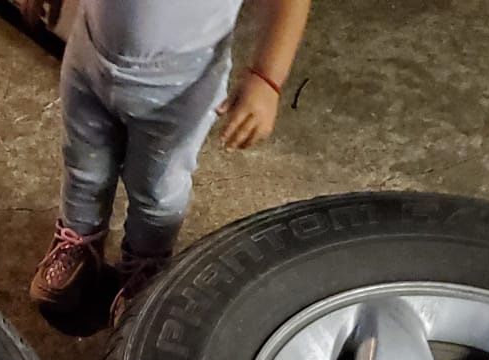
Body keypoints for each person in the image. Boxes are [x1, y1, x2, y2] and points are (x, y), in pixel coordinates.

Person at [24, 0, 311, 329]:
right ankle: (79, 240)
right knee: (84, 165)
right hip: (89, 58)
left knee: (156, 189)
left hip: (180, 85)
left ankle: (146, 264)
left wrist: (266, 78)